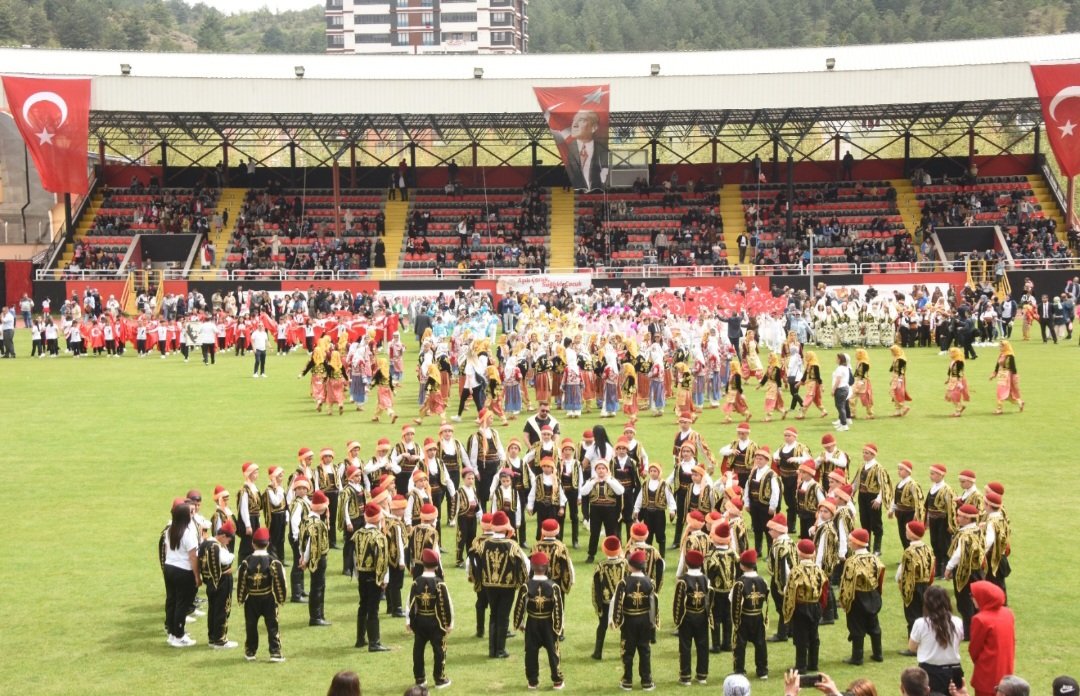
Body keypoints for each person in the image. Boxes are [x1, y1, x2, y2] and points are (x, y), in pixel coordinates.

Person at [475, 510, 529, 659]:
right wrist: (523, 581)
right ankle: (500, 649)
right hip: (507, 585)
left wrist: (480, 579)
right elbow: (525, 564)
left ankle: (492, 650)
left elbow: (475, 562)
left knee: (493, 614)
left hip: (489, 585)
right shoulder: (512, 545)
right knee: (503, 616)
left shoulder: (484, 544)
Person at [513, 551, 565, 690]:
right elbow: (558, 609)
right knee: (553, 652)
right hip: (549, 623)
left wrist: (519, 623)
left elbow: (519, 606)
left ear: (532, 567)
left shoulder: (526, 586)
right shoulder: (553, 586)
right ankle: (557, 681)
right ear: (547, 567)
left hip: (532, 623)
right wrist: (558, 627)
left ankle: (532, 681)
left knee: (530, 652)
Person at [237, 527, 287, 662]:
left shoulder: (246, 562)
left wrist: (241, 598)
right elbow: (280, 580)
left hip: (251, 599)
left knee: (251, 626)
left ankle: (250, 651)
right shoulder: (273, 561)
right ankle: (275, 652)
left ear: (253, 543)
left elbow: (241, 581)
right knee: (272, 626)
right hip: (268, 599)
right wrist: (280, 598)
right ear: (268, 543)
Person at [610, 549, 658, 691]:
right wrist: (652, 623)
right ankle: (646, 681)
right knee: (645, 650)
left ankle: (627, 680)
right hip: (644, 620)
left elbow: (617, 602)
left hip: (629, 621)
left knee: (627, 651)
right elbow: (653, 605)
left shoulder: (624, 582)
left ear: (630, 566)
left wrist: (616, 620)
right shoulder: (650, 582)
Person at [407, 548, 453, 689]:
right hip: (436, 622)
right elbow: (447, 603)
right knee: (439, 650)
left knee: (418, 650)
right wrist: (449, 623)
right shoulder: (439, 583)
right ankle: (439, 679)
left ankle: (420, 678)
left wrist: (408, 621)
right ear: (436, 565)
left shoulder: (416, 582)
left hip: (420, 621)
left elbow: (410, 603)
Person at [838, 528, 885, 665]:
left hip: (857, 597)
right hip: (872, 594)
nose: (849, 543)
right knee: (874, 624)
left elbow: (847, 583)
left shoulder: (852, 561)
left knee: (856, 626)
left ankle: (857, 657)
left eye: (851, 541)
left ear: (857, 543)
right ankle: (878, 653)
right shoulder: (875, 558)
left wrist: (844, 601)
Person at [908, 585, 964, 694]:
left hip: (931, 672)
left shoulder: (921, 623)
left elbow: (911, 647)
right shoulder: (958, 621)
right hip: (955, 671)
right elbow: (958, 642)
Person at [783, 539, 828, 674]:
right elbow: (825, 589)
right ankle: (813, 663)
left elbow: (789, 591)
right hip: (815, 606)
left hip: (801, 607)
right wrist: (821, 607)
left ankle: (801, 666)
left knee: (801, 637)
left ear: (799, 553)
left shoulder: (796, 571)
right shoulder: (819, 570)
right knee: (814, 635)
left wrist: (789, 610)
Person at [353, 503, 392, 652]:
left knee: (362, 605)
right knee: (373, 609)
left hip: (361, 575)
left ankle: (360, 638)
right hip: (374, 575)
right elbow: (382, 559)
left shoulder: (358, 534)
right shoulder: (379, 536)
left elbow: (354, 557)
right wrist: (384, 579)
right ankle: (374, 642)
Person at [163, 501, 201, 647]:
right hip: (183, 570)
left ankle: (172, 633)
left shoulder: (169, 530)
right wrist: (197, 576)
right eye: (190, 513)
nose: (192, 515)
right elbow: (193, 556)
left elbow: (167, 550)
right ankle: (179, 635)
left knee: (172, 600)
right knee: (182, 603)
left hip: (169, 567)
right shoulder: (187, 533)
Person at [945, 504, 985, 640]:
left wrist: (949, 567)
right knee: (975, 602)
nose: (957, 518)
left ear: (967, 519)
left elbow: (958, 553)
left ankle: (968, 633)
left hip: (964, 572)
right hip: (977, 570)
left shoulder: (965, 534)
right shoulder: (978, 530)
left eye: (960, 516)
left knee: (964, 603)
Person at [968, 581, 1015, 696]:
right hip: (1006, 669)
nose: (971, 598)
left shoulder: (980, 619)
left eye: (972, 595)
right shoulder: (1008, 613)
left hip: (987, 673)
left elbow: (974, 649)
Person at [673, 549, 711, 686]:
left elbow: (678, 602)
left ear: (687, 564)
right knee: (703, 646)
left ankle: (685, 676)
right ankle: (702, 675)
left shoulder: (683, 581)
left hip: (687, 616)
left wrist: (677, 620)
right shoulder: (706, 579)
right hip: (701, 615)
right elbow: (709, 599)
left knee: (685, 646)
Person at [198, 518, 237, 649]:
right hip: (221, 581)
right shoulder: (216, 546)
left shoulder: (206, 543)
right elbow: (227, 558)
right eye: (228, 539)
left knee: (213, 610)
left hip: (210, 581)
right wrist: (229, 552)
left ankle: (213, 638)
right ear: (222, 536)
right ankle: (220, 640)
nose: (229, 541)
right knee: (223, 610)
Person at [731, 549, 770, 680]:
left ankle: (739, 669)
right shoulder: (762, 580)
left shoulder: (740, 583)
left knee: (740, 645)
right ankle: (762, 670)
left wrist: (735, 622)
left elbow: (733, 600)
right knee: (760, 644)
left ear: (742, 565)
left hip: (744, 617)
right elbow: (766, 596)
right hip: (758, 616)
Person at [851, 443, 891, 556]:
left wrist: (879, 499)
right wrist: (851, 492)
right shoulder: (862, 466)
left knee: (876, 523)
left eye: (867, 453)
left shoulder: (878, 469)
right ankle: (866, 547)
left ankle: (877, 548)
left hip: (872, 498)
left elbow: (884, 485)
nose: (864, 455)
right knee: (865, 522)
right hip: (862, 496)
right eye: (863, 452)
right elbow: (856, 481)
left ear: (873, 455)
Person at [897, 520, 936, 637]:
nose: (905, 532)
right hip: (926, 585)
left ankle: (913, 643)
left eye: (907, 531)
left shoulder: (909, 551)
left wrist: (900, 582)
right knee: (924, 614)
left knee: (912, 615)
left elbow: (903, 571)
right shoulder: (927, 548)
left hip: (913, 586)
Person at [591, 534, 627, 660]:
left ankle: (598, 652)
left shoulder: (601, 565)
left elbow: (596, 586)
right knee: (624, 627)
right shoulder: (625, 563)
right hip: (622, 601)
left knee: (602, 626)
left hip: (606, 602)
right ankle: (624, 652)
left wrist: (598, 603)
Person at [300, 490, 332, 627]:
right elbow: (310, 545)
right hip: (318, 558)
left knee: (317, 586)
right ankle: (316, 617)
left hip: (311, 558)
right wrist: (305, 559)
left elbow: (302, 541)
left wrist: (302, 557)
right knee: (318, 587)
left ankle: (319, 614)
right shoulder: (317, 524)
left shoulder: (307, 519)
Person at [558, 108, 609, 191]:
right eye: (574, 120)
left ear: (594, 127)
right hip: (578, 191)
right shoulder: (568, 149)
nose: (574, 124)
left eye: (581, 120)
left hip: (595, 191)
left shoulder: (602, 150)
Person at [889, 460, 925, 550]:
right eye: (898, 469)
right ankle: (906, 554)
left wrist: (917, 516)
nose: (899, 471)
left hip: (909, 514)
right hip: (900, 513)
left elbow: (919, 502)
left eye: (901, 469)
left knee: (910, 536)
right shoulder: (899, 484)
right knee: (902, 535)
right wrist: (891, 510)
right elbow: (895, 499)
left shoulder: (913, 485)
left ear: (908, 471)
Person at [990, 341, 1024, 415]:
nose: (1000, 348)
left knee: (1000, 391)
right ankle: (1020, 402)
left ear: (1005, 347)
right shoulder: (1002, 354)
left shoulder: (1010, 356)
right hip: (1001, 374)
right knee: (1007, 396)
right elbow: (998, 365)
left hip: (1007, 375)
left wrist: (1015, 378)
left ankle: (999, 409)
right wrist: (994, 373)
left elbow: (1013, 368)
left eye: (1001, 346)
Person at [849, 348, 874, 419]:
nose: (855, 355)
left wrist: (860, 383)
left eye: (857, 353)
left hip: (863, 382)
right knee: (851, 397)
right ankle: (852, 413)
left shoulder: (864, 363)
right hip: (857, 380)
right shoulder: (858, 362)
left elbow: (864, 374)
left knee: (866, 398)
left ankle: (870, 414)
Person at [888, 344, 913, 417]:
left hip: (899, 377)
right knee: (895, 393)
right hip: (896, 376)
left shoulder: (901, 359)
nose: (891, 353)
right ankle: (897, 411)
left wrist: (897, 379)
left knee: (893, 392)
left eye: (892, 351)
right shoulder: (896, 358)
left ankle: (903, 407)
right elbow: (892, 369)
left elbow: (900, 370)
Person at [944, 347, 969, 417]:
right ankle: (960, 406)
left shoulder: (959, 362)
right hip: (952, 380)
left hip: (957, 381)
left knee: (954, 396)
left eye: (951, 352)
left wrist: (959, 382)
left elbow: (960, 372)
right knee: (949, 395)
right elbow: (950, 371)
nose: (950, 354)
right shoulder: (953, 361)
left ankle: (958, 411)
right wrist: (948, 379)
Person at [831, 353, 852, 431]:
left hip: (841, 389)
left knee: (840, 406)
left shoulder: (840, 368)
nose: (836, 359)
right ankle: (842, 423)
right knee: (841, 406)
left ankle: (844, 424)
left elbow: (838, 380)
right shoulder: (845, 368)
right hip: (845, 388)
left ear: (840, 359)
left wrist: (833, 389)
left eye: (837, 358)